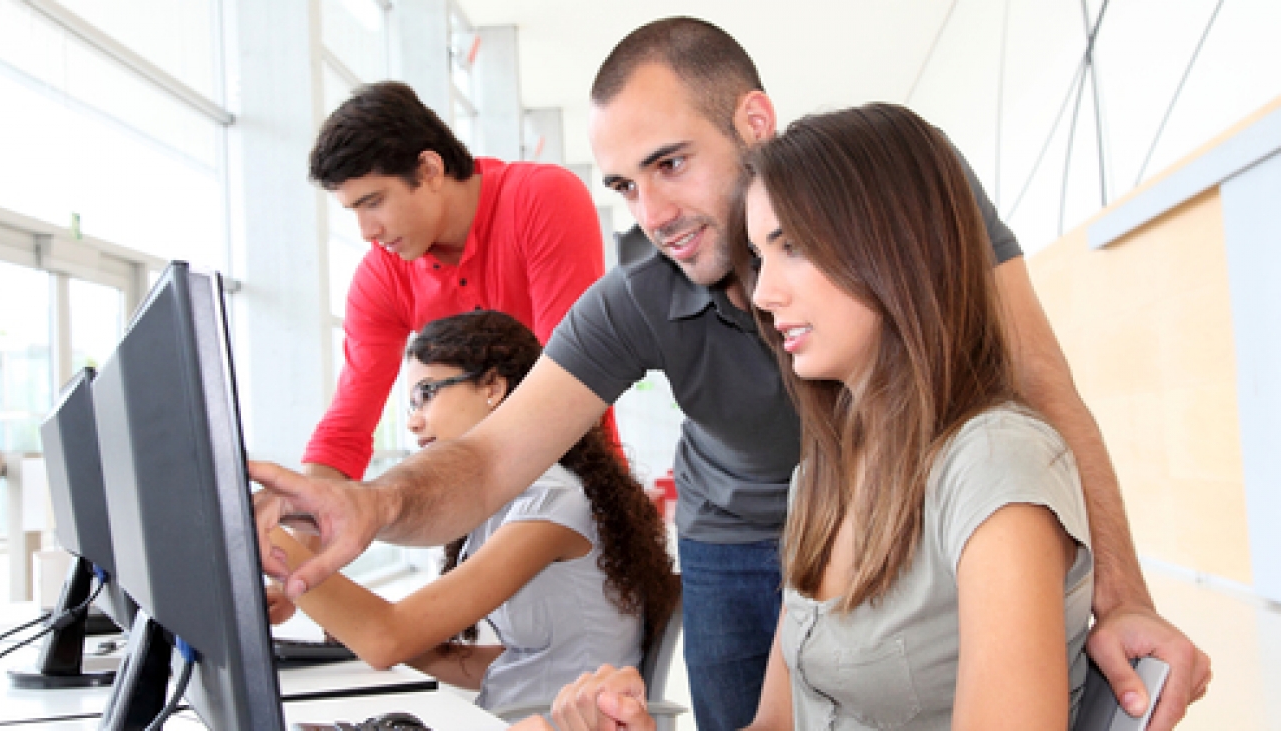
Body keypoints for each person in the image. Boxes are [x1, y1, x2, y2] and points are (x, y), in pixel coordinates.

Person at [253, 18, 1209, 731]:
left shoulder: (987, 450)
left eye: (671, 162)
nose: (653, 211)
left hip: (910, 497)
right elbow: (496, 455)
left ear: (753, 119)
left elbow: (1041, 384)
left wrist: (1118, 592)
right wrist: (368, 509)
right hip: (795, 513)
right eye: (625, 185)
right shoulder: (659, 309)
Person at [538, 103, 1096, 731]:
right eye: (759, 256)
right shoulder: (824, 473)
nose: (765, 294)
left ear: (901, 248)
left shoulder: (994, 464)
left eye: (794, 248)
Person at [266, 311, 678, 711]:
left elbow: (384, 637)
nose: (413, 422)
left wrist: (266, 536)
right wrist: (348, 626)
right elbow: (517, 665)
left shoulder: (552, 503)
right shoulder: (509, 503)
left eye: (426, 394)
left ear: (493, 388)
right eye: (411, 405)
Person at [301, 80, 608, 482]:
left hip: (575, 487)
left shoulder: (541, 199)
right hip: (476, 503)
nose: (365, 231)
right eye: (352, 211)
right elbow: (346, 430)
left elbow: (569, 384)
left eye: (373, 202)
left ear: (429, 170)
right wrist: (296, 527)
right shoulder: (380, 276)